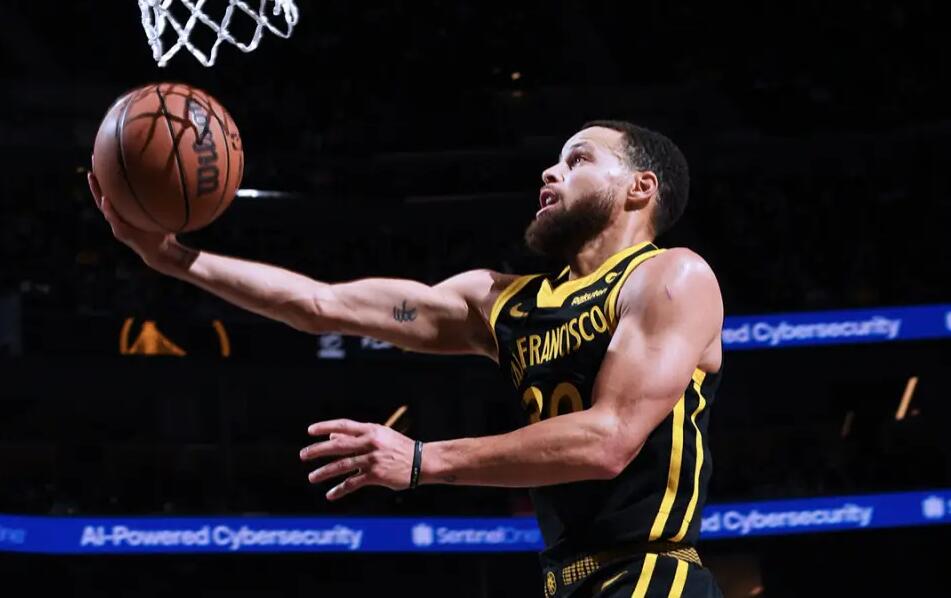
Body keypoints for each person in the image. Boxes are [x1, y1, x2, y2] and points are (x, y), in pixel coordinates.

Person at [90, 120, 724, 598]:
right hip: (565, 580)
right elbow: (320, 303)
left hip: (652, 573)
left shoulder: (671, 276)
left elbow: (609, 440)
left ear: (640, 187)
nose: (550, 173)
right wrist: (172, 258)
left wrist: (422, 460)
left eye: (577, 159)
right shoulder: (502, 303)